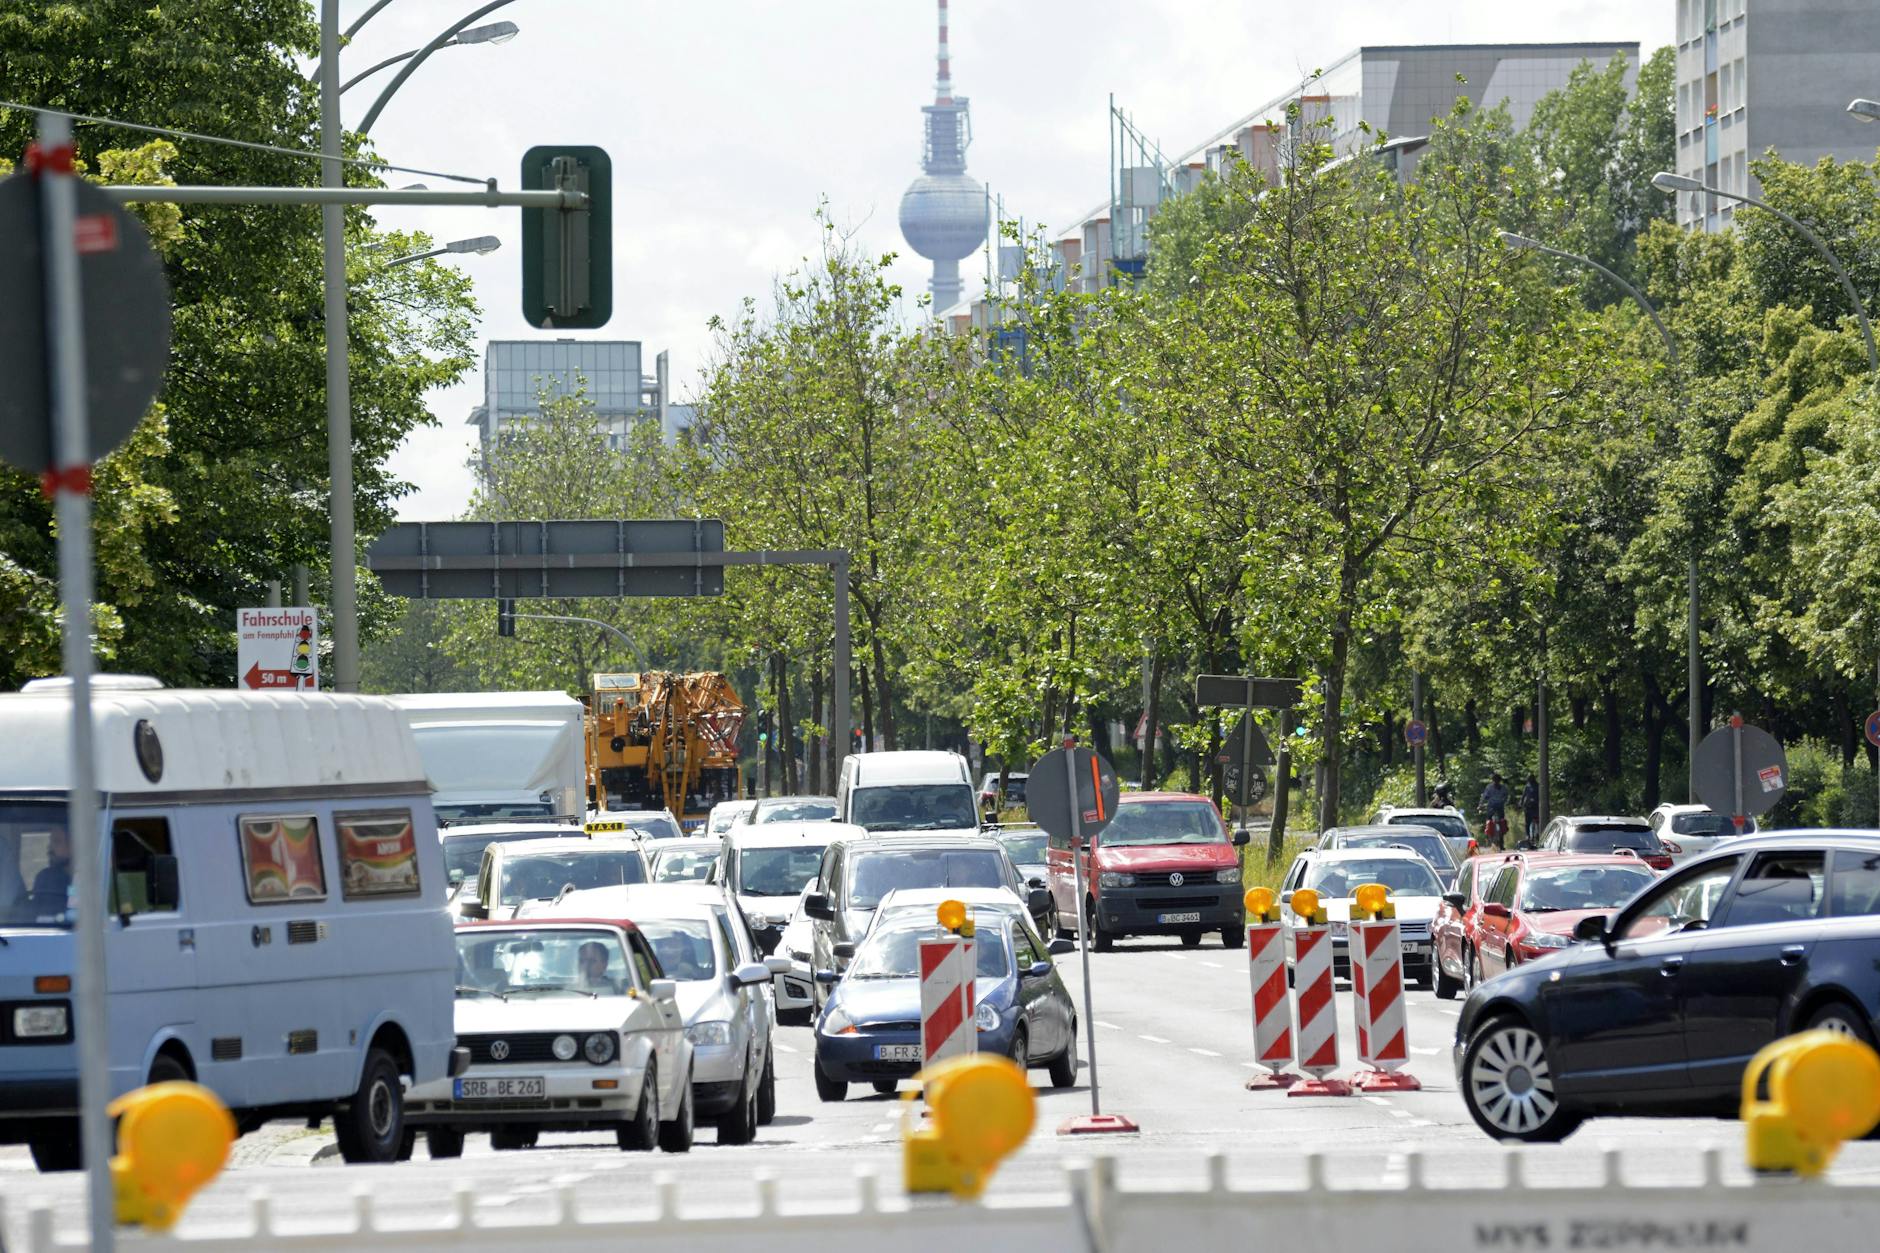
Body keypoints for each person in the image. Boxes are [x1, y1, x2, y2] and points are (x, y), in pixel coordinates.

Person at [30, 827, 72, 913]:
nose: (50, 848)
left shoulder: (89, 881)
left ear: (72, 846)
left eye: (57, 842)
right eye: (51, 842)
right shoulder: (45, 879)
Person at [1478, 774, 1510, 850]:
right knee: (1500, 823)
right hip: (1498, 806)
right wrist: (1504, 801)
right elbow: (1506, 796)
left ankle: (1492, 840)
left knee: (1491, 822)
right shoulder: (1503, 788)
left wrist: (1480, 805)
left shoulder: (1490, 787)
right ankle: (1500, 844)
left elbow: (1484, 796)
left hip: (1492, 807)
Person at [1521, 775, 1540, 845]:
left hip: (1536, 807)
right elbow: (1523, 796)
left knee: (1537, 821)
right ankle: (1528, 835)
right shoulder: (1527, 787)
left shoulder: (1538, 786)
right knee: (1527, 823)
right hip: (1528, 807)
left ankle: (1538, 834)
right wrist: (1521, 803)